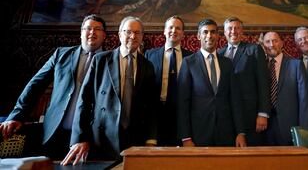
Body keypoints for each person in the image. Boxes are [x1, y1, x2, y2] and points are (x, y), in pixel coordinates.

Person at [0, 14, 107, 159]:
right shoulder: (61, 55)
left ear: (104, 35)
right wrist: (17, 115)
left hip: (90, 138)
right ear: (81, 31)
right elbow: (35, 85)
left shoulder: (110, 61)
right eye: (88, 28)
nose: (92, 32)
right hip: (54, 131)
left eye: (97, 29)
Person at [62, 16, 158, 165]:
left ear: (142, 36)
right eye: (128, 32)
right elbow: (84, 101)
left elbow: (151, 107)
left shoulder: (148, 66)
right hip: (100, 138)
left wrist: (150, 140)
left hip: (134, 140)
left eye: (137, 33)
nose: (133, 36)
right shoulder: (100, 60)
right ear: (120, 34)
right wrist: (80, 138)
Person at [177, 19, 246, 147]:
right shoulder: (188, 62)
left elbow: (235, 99)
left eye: (213, 32)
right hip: (198, 133)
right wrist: (185, 137)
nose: (209, 36)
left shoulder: (227, 63)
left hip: (226, 133)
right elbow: (183, 102)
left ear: (218, 35)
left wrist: (240, 132)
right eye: (205, 32)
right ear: (198, 36)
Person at [218, 17, 270, 146]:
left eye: (237, 28)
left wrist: (263, 113)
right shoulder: (218, 53)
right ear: (224, 32)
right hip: (226, 115)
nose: (233, 31)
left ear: (242, 32)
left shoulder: (254, 50)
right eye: (230, 28)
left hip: (250, 115)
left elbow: (263, 83)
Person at [145, 16, 192, 146]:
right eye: (170, 27)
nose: (174, 31)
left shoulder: (191, 57)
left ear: (183, 34)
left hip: (181, 113)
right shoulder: (150, 55)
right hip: (157, 112)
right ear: (164, 31)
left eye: (178, 28)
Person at [262, 31, 308, 145]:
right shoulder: (259, 65)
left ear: (281, 43)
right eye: (267, 42)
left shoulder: (296, 65)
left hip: (289, 124)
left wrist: (303, 130)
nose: (271, 45)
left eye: (275, 41)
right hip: (264, 126)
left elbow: (305, 99)